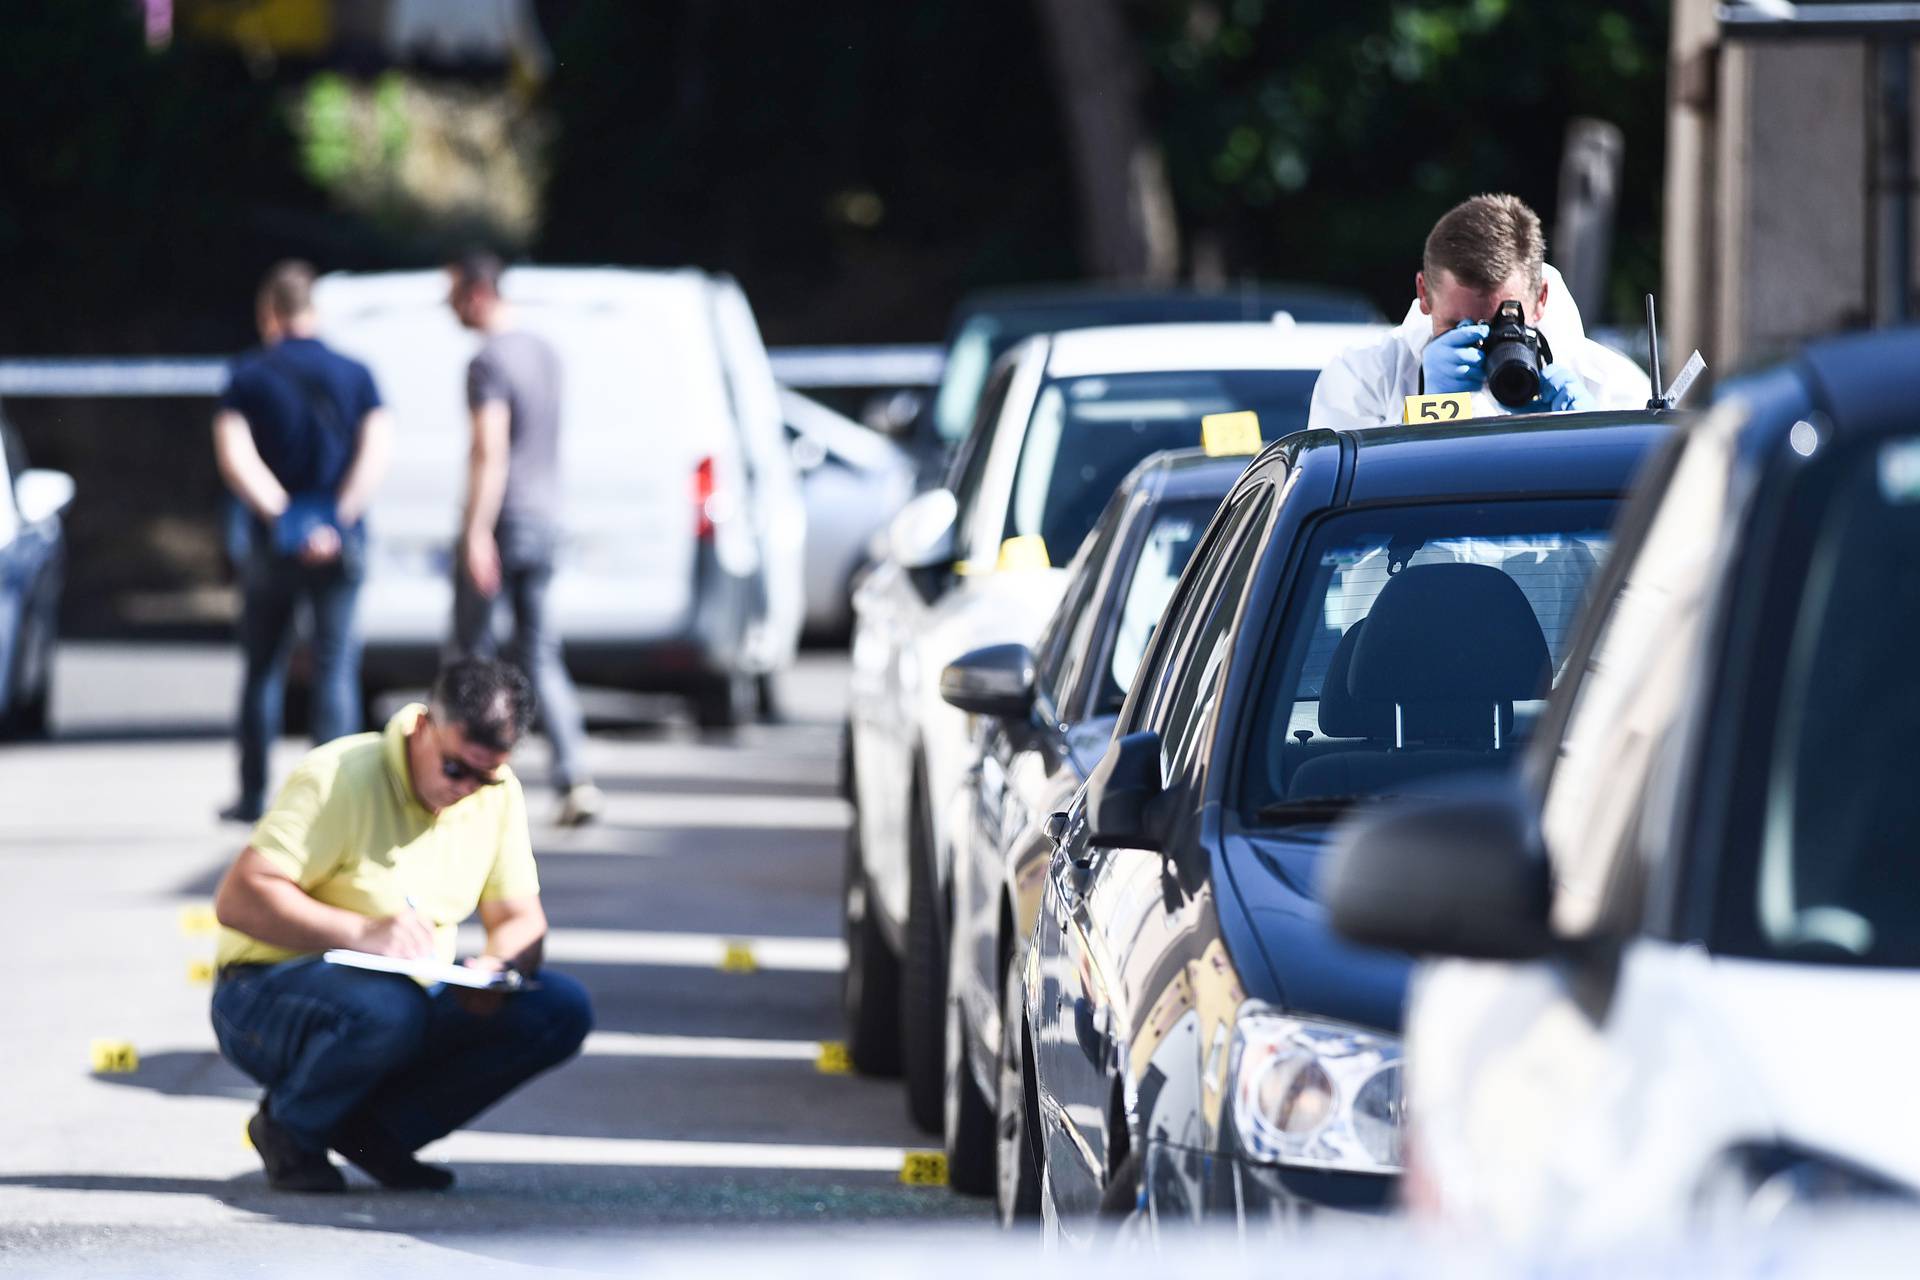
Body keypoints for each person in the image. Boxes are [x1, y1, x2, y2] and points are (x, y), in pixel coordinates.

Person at [210, 656, 594, 1193]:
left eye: (485, 776)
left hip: (405, 997)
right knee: (388, 1010)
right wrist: (358, 932)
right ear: (421, 727)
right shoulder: (338, 775)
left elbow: (518, 918)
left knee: (557, 1008)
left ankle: (374, 1135)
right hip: (262, 993)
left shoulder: (498, 795)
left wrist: (499, 966)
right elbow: (238, 898)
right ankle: (290, 1127)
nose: (467, 788)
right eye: (456, 768)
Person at [215, 260, 392, 823]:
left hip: (275, 544)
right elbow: (376, 452)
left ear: (269, 312)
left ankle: (251, 796)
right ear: (314, 310)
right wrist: (337, 520)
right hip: (342, 542)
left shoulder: (247, 375)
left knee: (263, 667)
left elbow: (235, 457)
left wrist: (284, 518)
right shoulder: (357, 374)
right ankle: (331, 801)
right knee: (335, 666)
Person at [446, 251, 603, 827]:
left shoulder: (487, 361)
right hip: (545, 517)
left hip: (504, 518)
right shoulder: (545, 352)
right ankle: (574, 776)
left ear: (477, 293)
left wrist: (476, 531)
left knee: (474, 655)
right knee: (539, 652)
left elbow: (490, 448)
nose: (449, 308)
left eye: (453, 294)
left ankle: (467, 778)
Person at [1308, 193, 1650, 431]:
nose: (1483, 343)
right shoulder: (1364, 376)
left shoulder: (1611, 387)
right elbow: (1346, 512)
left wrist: (1604, 439)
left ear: (1541, 297)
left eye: (1504, 324)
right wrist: (1424, 416)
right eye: (1458, 325)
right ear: (1424, 294)